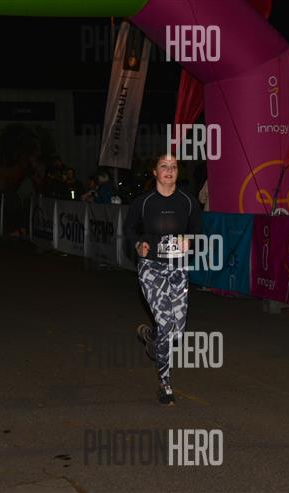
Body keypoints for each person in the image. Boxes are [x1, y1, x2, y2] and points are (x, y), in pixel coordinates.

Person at [123, 154, 201, 405]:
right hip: (151, 268)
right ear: (155, 172)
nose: (169, 170)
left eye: (173, 167)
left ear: (178, 172)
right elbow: (129, 229)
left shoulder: (188, 202)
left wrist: (191, 240)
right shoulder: (143, 202)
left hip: (178, 268)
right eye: (163, 166)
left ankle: (152, 336)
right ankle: (165, 383)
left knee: (177, 331)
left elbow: (197, 230)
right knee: (167, 323)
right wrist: (138, 244)